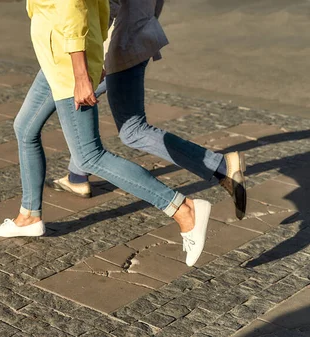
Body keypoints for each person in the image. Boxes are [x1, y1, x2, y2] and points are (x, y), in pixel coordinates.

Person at [0, 0, 212, 266]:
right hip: (54, 55)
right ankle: (28, 216)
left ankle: (183, 209)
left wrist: (82, 73)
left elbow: (73, 9)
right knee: (25, 127)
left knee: (88, 156)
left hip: (67, 63)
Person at [48, 0, 247, 220]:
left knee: (132, 130)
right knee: (106, 116)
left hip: (120, 45)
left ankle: (220, 167)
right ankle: (77, 175)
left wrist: (91, 57)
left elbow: (108, 9)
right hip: (139, 36)